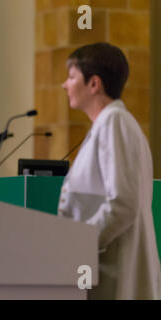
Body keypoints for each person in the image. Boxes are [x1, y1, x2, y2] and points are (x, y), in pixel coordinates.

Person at [58, 42, 161, 299]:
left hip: (115, 275)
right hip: (103, 269)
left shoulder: (114, 122)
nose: (64, 85)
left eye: (71, 77)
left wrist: (79, 244)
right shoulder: (109, 124)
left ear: (94, 84)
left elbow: (123, 203)